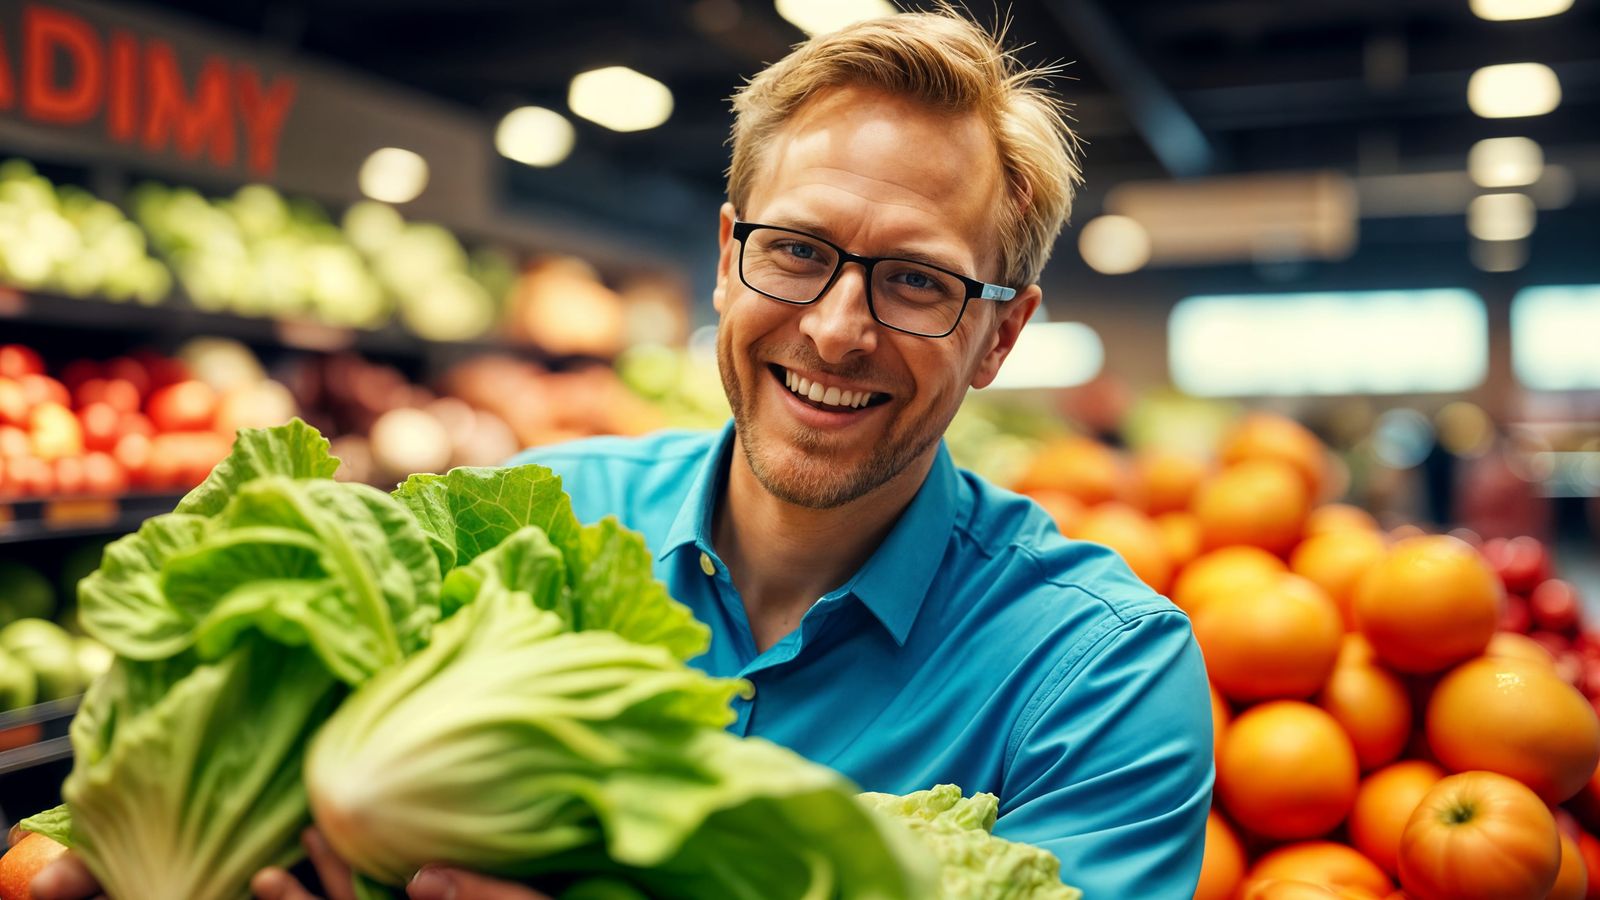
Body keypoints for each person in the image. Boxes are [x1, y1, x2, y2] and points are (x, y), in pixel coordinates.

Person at [31, 8, 1212, 899]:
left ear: (1000, 332)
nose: (837, 329)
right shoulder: (516, 527)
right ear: (724, 255)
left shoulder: (1099, 679)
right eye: (795, 251)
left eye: (916, 281)